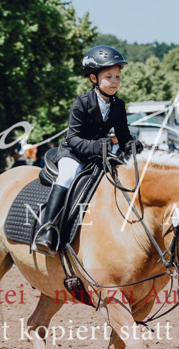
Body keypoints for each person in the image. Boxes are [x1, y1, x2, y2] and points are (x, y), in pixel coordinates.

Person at [33, 45, 141, 255]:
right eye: (108, 76)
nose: (114, 81)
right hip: (73, 153)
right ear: (94, 78)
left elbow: (124, 134)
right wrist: (97, 146)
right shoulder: (81, 102)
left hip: (99, 155)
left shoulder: (118, 105)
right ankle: (47, 230)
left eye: (117, 76)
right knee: (66, 176)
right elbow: (72, 137)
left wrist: (131, 145)